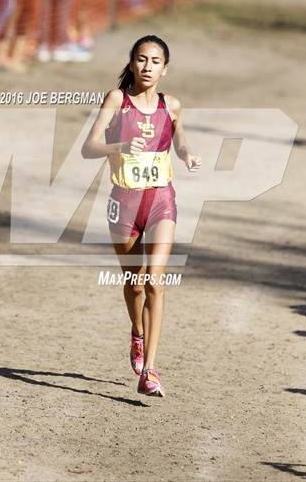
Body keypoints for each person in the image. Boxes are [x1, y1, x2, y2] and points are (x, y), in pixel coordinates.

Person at [81, 35, 201, 397]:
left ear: (165, 68)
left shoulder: (173, 105)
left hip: (162, 200)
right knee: (134, 283)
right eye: (142, 60)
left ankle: (150, 370)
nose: (148, 67)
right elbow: (89, 148)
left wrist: (188, 155)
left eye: (155, 61)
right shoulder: (117, 100)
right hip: (124, 204)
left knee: (155, 281)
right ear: (132, 63)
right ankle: (137, 333)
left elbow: (179, 141)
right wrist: (118, 146)